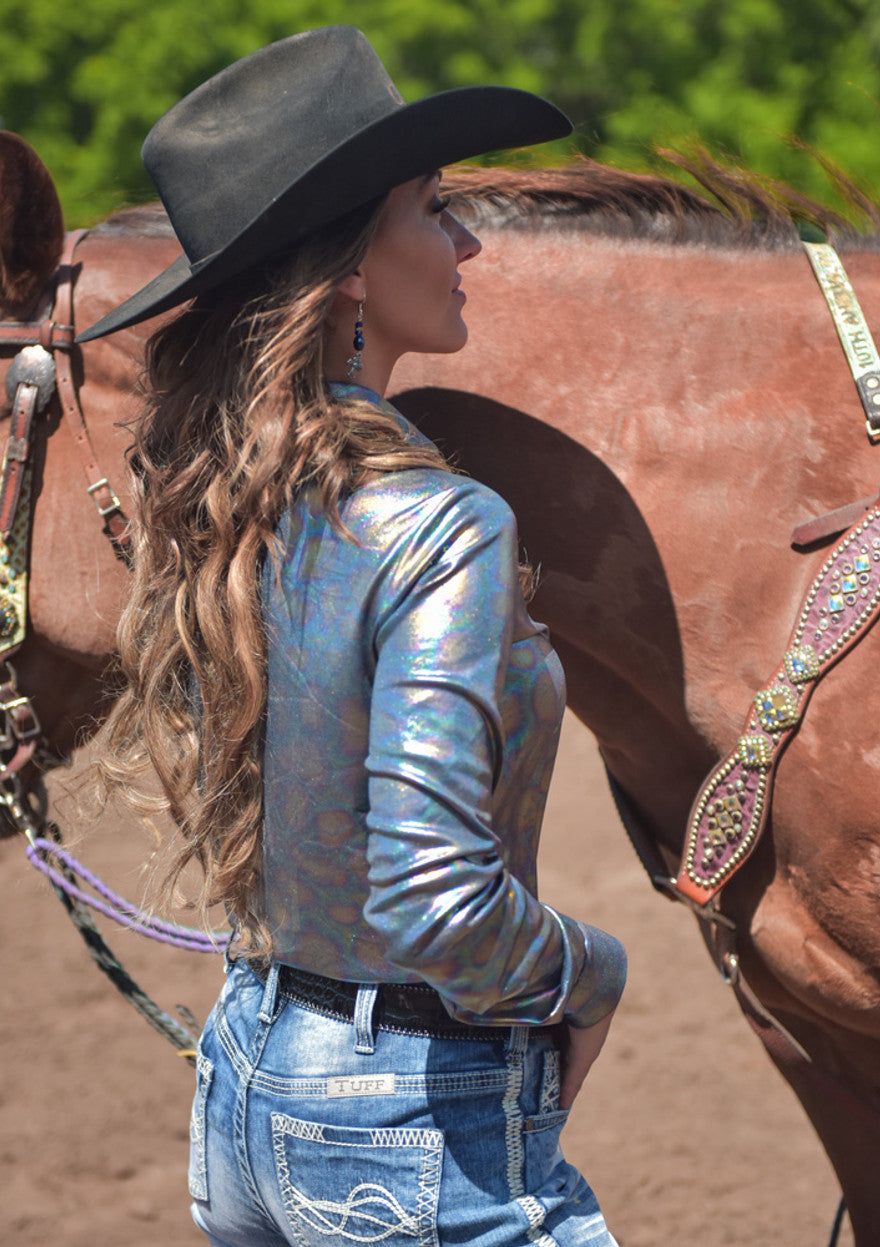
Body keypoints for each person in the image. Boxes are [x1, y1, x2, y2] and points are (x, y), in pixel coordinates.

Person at [79, 26, 627, 1247]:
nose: (470, 240)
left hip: (246, 1080)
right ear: (345, 272)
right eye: (435, 209)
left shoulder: (223, 502)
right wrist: (588, 969)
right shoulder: (445, 522)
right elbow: (436, 898)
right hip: (411, 1127)